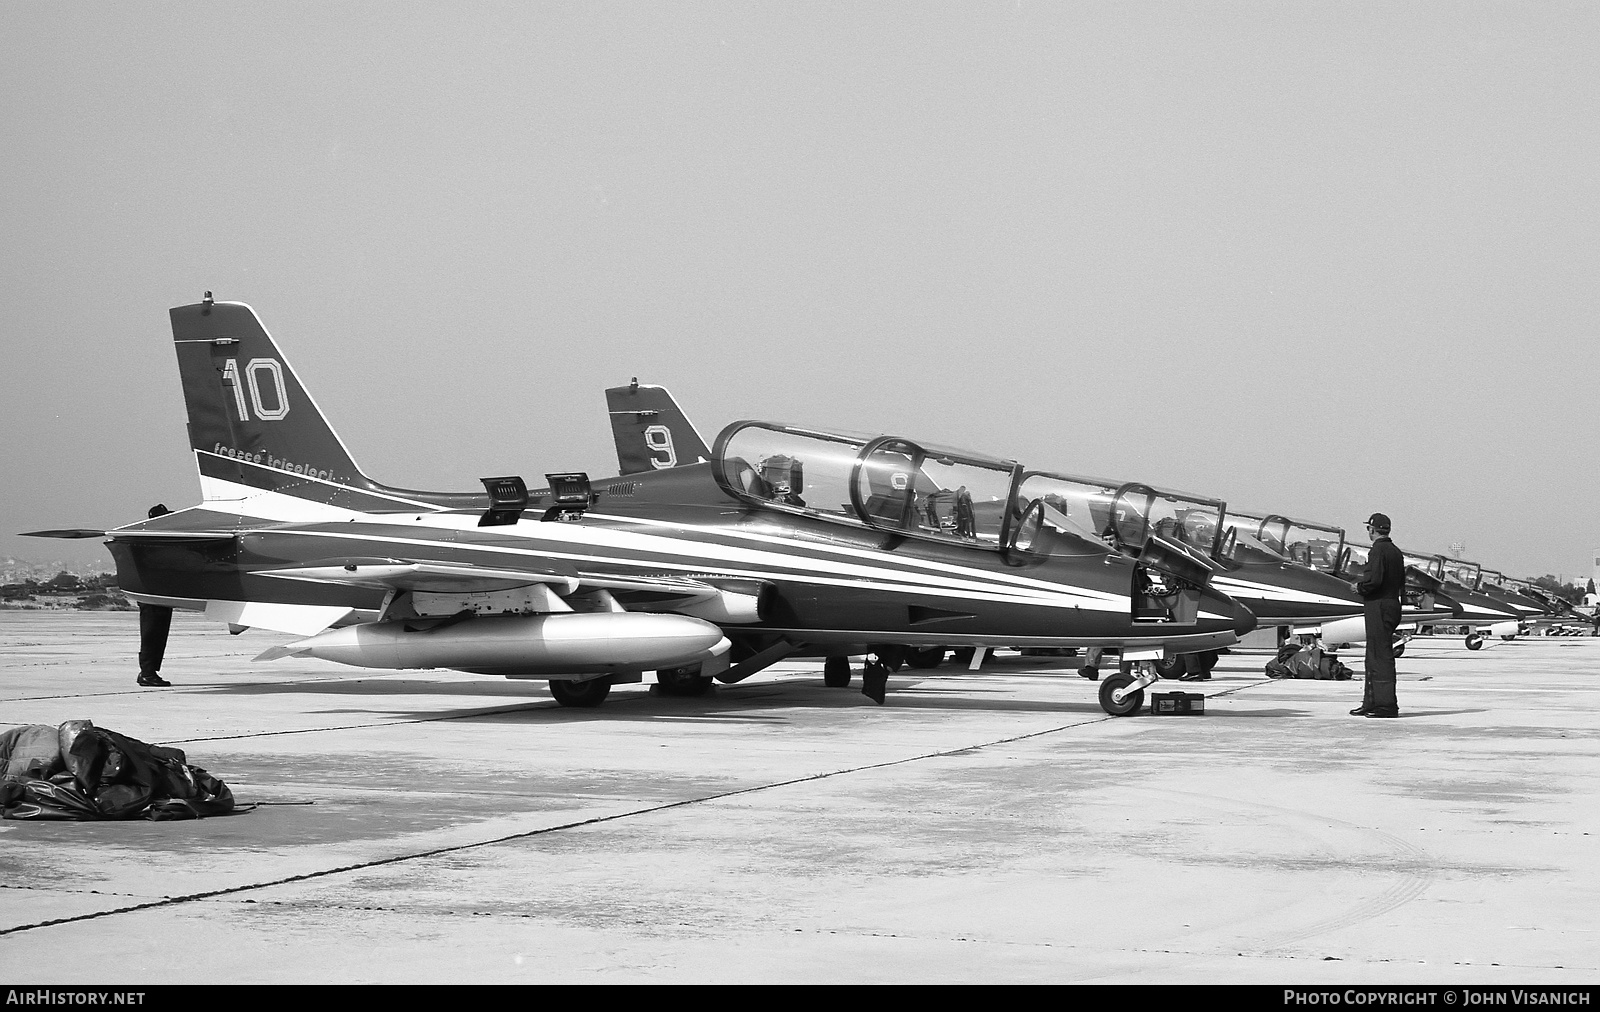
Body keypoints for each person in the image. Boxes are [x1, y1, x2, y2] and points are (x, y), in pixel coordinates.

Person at [1351, 512, 1404, 718]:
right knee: (1373, 655)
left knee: (1380, 657)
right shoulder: (1395, 552)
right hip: (1391, 603)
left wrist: (1359, 587)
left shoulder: (1377, 551)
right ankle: (1371, 702)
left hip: (1378, 605)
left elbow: (1374, 580)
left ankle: (1386, 705)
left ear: (1372, 530)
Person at [136, 504, 175, 687]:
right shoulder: (149, 541)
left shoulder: (154, 540)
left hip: (159, 594)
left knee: (157, 635)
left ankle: (149, 671)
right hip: (152, 595)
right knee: (153, 634)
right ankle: (147, 673)